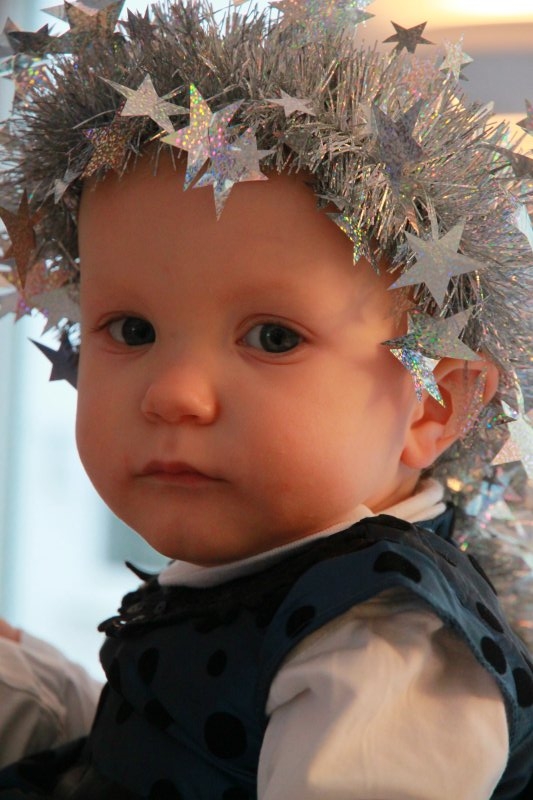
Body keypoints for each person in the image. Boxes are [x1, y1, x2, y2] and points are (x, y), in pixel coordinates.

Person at [0, 1, 531, 797]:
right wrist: (27, 685)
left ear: (431, 401)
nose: (174, 395)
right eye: (133, 329)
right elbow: (151, 760)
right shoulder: (276, 584)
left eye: (273, 337)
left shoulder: (381, 647)